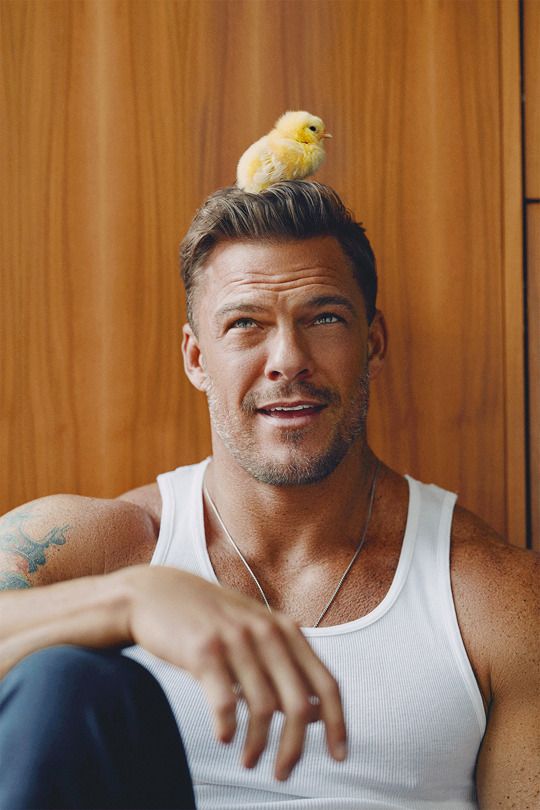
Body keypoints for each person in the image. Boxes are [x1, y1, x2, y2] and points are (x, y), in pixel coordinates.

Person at [0, 182, 538, 810]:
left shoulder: (495, 598)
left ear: (373, 344)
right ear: (197, 356)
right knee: (63, 682)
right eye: (245, 324)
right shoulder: (99, 550)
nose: (288, 359)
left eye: (324, 318)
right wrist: (129, 599)